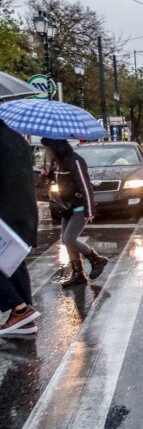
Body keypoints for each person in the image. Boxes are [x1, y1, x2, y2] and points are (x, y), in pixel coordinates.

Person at [40, 138, 108, 287]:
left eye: (47, 148)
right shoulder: (58, 163)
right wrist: (48, 174)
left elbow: (85, 186)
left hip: (79, 206)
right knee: (65, 240)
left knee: (69, 238)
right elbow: (61, 182)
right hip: (66, 207)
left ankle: (96, 259)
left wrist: (90, 209)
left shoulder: (75, 161)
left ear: (55, 147)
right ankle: (78, 274)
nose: (47, 151)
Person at [0, 120, 41, 337]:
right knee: (14, 262)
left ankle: (20, 309)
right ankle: (25, 319)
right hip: (25, 212)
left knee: (8, 262)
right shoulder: (17, 139)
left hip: (5, 212)